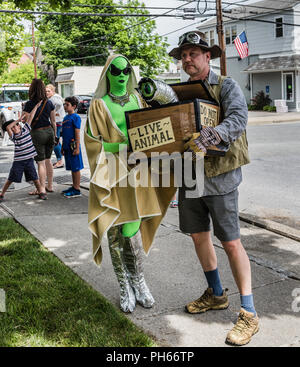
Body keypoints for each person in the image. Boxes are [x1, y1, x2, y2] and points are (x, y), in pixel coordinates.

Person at [169, 31, 258, 346]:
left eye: (194, 53)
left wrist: (213, 134)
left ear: (209, 57)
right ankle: (217, 294)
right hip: (190, 174)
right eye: (184, 55)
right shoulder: (177, 93)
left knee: (231, 242)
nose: (188, 59)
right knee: (198, 236)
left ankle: (249, 313)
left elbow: (239, 119)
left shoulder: (227, 86)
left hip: (220, 176)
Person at [84, 55, 176, 313]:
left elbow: (155, 130)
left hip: (138, 175)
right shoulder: (98, 106)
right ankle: (125, 287)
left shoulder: (139, 99)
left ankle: (140, 283)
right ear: (108, 74)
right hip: (111, 175)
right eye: (115, 70)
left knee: (131, 233)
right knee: (114, 232)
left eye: (126, 70)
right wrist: (124, 146)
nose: (122, 75)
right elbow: (93, 144)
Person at [0, 101, 47, 202]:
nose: (13, 128)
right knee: (11, 178)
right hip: (19, 162)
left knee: (35, 178)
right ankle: (2, 193)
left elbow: (31, 117)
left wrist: (36, 106)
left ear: (20, 126)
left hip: (29, 160)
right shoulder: (14, 137)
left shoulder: (26, 129)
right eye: (12, 128)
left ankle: (41, 192)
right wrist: (18, 119)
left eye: (15, 126)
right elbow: (7, 127)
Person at [23, 79, 56, 196]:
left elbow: (25, 121)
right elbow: (53, 121)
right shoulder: (49, 102)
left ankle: (41, 188)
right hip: (49, 132)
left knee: (40, 163)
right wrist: (55, 135)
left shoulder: (29, 104)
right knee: (48, 160)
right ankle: (50, 186)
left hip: (37, 133)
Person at [61, 96, 84, 198]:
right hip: (66, 147)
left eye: (67, 104)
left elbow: (77, 133)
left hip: (73, 146)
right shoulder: (65, 118)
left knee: (76, 168)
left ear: (74, 106)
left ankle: (77, 189)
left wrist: (77, 147)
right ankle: (74, 186)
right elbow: (64, 134)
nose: (65, 106)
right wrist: (62, 147)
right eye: (64, 104)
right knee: (71, 167)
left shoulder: (76, 117)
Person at [45, 84, 65, 169]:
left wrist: (53, 111)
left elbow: (59, 104)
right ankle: (60, 160)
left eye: (48, 91)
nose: (47, 93)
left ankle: (60, 161)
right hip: (59, 121)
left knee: (55, 141)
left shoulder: (54, 98)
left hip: (57, 122)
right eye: (45, 91)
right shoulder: (55, 97)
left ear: (53, 91)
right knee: (57, 141)